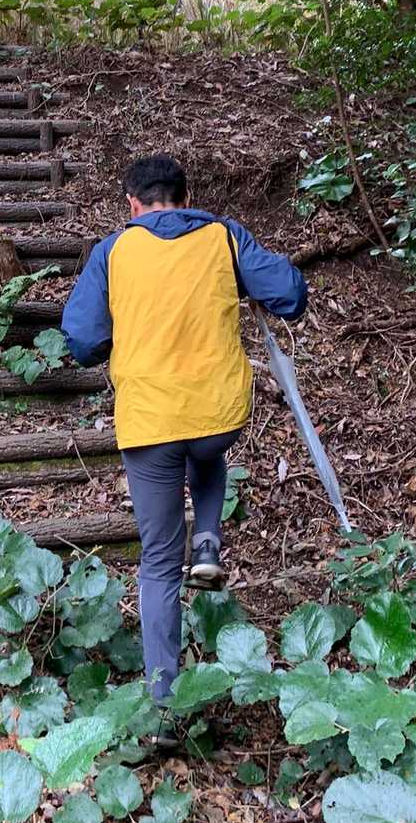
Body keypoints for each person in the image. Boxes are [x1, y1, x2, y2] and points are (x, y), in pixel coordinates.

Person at [60, 153, 307, 720]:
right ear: (186, 197)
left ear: (132, 203)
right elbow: (290, 295)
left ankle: (163, 706)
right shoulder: (223, 236)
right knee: (206, 444)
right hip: (218, 412)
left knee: (157, 563)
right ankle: (209, 540)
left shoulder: (113, 251)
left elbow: (82, 341)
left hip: (150, 421)